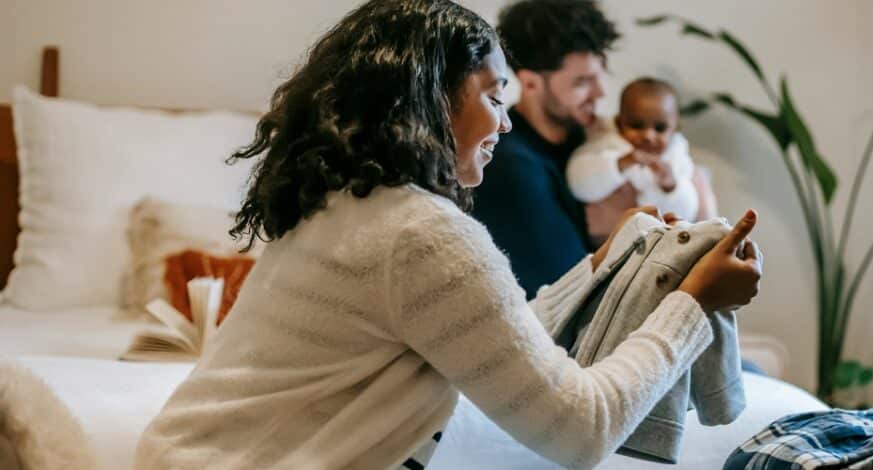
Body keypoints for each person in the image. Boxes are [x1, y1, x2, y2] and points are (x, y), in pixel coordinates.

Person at [134, 1, 763, 469]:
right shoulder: (423, 237)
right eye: (493, 97)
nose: (506, 123)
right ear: (432, 100)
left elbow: (493, 335)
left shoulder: (344, 206)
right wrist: (692, 305)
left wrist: (603, 260)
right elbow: (583, 429)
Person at [471, 0, 633, 298]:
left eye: (601, 74)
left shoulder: (592, 142)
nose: (600, 93)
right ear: (530, 83)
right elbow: (574, 296)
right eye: (582, 82)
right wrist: (623, 229)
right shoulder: (510, 167)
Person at [567, 77, 718, 239]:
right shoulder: (605, 144)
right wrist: (619, 164)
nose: (648, 136)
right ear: (619, 122)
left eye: (660, 128)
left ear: (674, 129)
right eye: (636, 125)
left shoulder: (676, 159)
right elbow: (578, 183)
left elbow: (687, 214)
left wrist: (670, 187)